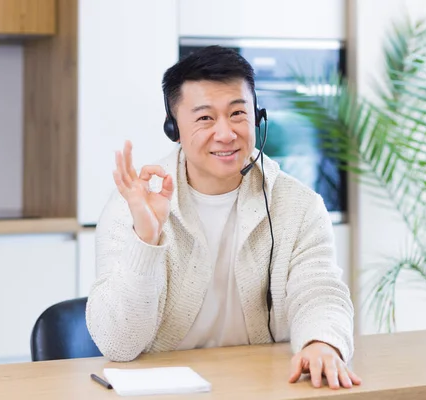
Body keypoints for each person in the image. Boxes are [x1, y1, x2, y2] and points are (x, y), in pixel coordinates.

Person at [85, 45, 361, 390]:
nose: (227, 133)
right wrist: (146, 239)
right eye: (205, 118)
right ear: (175, 128)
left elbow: (319, 289)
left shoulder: (298, 205)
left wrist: (322, 342)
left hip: (263, 386)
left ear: (256, 117)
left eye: (237, 114)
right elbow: (117, 344)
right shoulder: (132, 204)